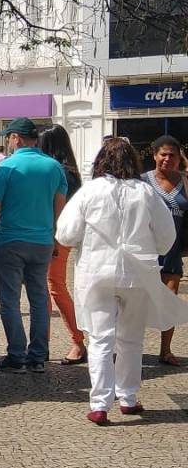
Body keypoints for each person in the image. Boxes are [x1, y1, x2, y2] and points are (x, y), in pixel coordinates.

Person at [56, 137, 188, 424]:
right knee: (130, 338)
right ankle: (127, 397)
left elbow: (65, 233)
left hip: (97, 272)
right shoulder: (146, 192)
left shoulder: (90, 191)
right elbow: (167, 237)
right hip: (137, 273)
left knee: (101, 338)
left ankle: (100, 403)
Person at [0, 117, 68, 373]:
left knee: (9, 300)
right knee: (39, 298)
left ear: (16, 138)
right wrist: (55, 236)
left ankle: (16, 354)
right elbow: (59, 205)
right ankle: (37, 356)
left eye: (8, 137)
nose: (8, 142)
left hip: (10, 240)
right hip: (42, 241)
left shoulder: (7, 167)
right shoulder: (54, 167)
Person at [39, 125, 86, 365]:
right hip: (59, 235)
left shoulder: (59, 172)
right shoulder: (70, 172)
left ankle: (77, 340)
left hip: (55, 236)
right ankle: (43, 343)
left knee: (54, 287)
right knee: (49, 288)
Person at [141, 134, 187, 366]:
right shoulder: (142, 182)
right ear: (155, 155)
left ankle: (165, 351)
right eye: (163, 154)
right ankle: (131, 349)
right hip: (145, 253)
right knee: (137, 304)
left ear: (179, 158)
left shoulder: (186, 182)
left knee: (168, 303)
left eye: (173, 155)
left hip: (173, 252)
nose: (168, 159)